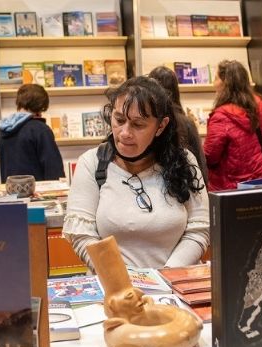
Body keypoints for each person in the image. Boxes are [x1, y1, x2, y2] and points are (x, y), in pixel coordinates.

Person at [63, 76, 209, 270]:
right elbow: (82, 234)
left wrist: (167, 275)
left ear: (161, 126)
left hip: (173, 283)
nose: (124, 133)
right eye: (119, 120)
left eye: (138, 125)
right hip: (114, 284)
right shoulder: (91, 163)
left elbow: (199, 229)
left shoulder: (184, 161)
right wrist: (121, 279)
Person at [203, 60, 262, 191]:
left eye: (216, 78)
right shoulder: (261, 105)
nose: (213, 83)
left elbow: (210, 156)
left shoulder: (221, 116)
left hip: (229, 185)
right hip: (259, 179)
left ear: (225, 83)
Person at [148, 66, 209, 185]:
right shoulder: (186, 123)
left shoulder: (148, 123)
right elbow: (199, 164)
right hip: (182, 185)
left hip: (152, 186)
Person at [0, 84, 64, 182]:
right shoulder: (40, 130)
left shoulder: (2, 132)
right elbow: (53, 169)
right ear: (40, 105)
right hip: (37, 190)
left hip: (11, 190)